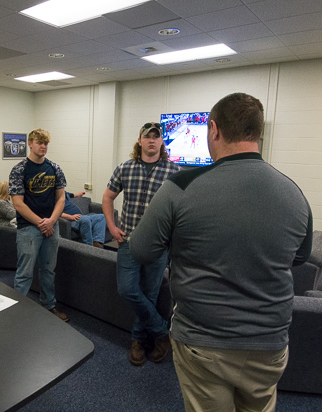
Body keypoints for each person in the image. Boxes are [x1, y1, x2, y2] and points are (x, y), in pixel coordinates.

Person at [129, 93, 313, 412]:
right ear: (257, 132)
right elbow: (299, 257)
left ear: (213, 130)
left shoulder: (180, 185)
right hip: (269, 345)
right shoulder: (294, 192)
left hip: (203, 341)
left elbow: (142, 250)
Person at [102, 122, 181, 366]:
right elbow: (107, 197)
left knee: (150, 293)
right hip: (128, 240)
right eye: (147, 137)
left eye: (156, 137)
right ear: (139, 141)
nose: (152, 141)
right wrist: (112, 226)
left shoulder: (174, 172)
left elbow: (181, 207)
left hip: (158, 244)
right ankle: (161, 332)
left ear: (162, 143)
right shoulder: (125, 168)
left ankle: (137, 341)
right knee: (127, 289)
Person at [9, 128, 68, 322]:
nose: (43, 147)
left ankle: (49, 305)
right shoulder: (19, 170)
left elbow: (61, 199)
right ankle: (17, 313)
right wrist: (41, 223)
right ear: (30, 144)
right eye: (39, 143)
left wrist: (51, 220)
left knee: (48, 269)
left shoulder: (55, 168)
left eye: (46, 143)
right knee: (24, 272)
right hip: (29, 228)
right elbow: (18, 203)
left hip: (51, 225)